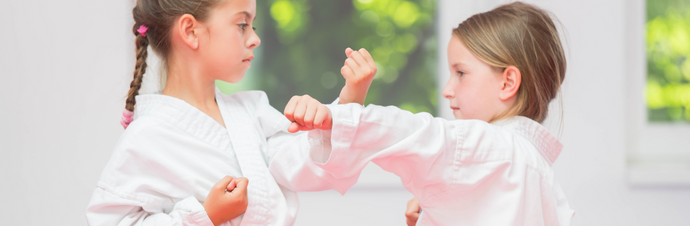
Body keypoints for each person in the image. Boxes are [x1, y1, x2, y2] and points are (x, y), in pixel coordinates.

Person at [85, 0, 376, 225]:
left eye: (254, 26)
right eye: (242, 25)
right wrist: (205, 216)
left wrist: (342, 106)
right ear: (190, 31)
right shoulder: (147, 136)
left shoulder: (252, 112)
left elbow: (306, 166)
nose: (254, 39)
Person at [285, 2, 574, 225]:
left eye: (461, 73)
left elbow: (416, 134)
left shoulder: (489, 148)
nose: (448, 89)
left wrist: (340, 116)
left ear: (508, 82)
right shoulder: (541, 178)